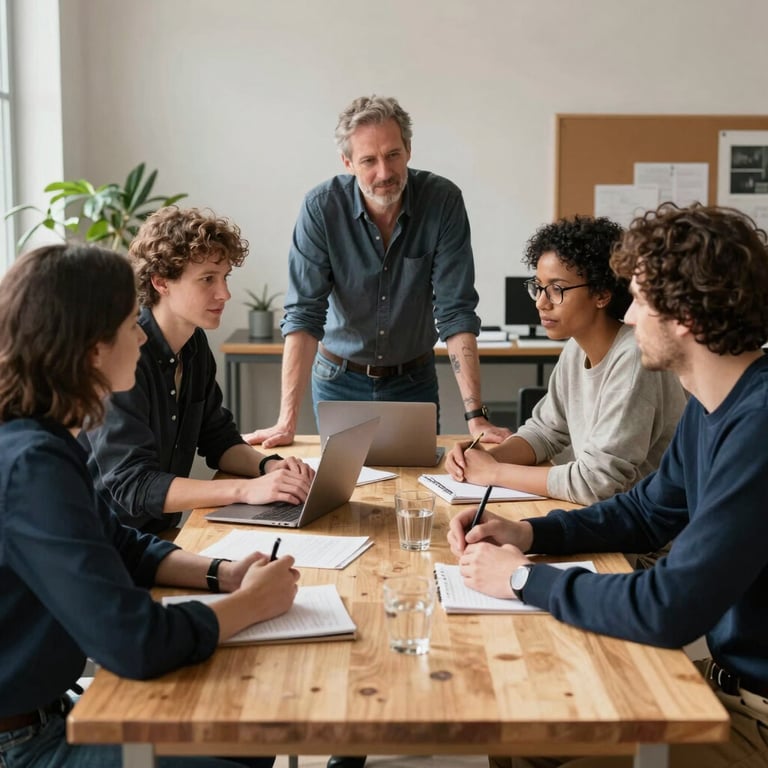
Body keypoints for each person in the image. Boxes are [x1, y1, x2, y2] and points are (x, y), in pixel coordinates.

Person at [447, 204, 768, 768]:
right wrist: (524, 532)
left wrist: (521, 579)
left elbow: (669, 606)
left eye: (641, 298)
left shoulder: (759, 426)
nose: (630, 311)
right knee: (519, 738)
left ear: (686, 316)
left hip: (755, 718)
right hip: (722, 680)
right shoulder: (714, 405)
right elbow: (644, 514)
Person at [0, 243, 300, 767]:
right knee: (247, 741)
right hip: (24, 745)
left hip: (52, 711)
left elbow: (122, 545)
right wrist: (253, 604)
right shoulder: (31, 467)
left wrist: (224, 575)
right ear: (92, 348)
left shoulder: (44, 438)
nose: (140, 334)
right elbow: (134, 642)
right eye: (127, 324)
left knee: (250, 737)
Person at [243, 95, 511, 451]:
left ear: (409, 150)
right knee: (342, 489)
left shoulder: (442, 201)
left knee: (416, 494)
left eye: (393, 155)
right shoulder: (321, 208)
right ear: (348, 162)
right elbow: (304, 316)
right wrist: (286, 421)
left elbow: (455, 310)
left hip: (413, 380)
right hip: (338, 379)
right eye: (369, 160)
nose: (384, 173)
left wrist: (475, 416)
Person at [81, 207, 314, 534]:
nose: (225, 294)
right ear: (161, 283)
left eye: (224, 278)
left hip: (157, 537)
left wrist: (271, 467)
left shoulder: (194, 345)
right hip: (108, 545)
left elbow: (218, 439)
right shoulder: (124, 356)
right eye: (207, 279)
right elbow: (133, 485)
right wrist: (246, 490)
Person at [447, 215, 687, 507]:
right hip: (596, 517)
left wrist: (495, 472)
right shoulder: (576, 348)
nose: (540, 302)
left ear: (601, 294)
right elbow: (545, 431)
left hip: (636, 544)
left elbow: (597, 484)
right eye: (538, 286)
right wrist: (482, 458)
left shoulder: (634, 359)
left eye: (557, 289)